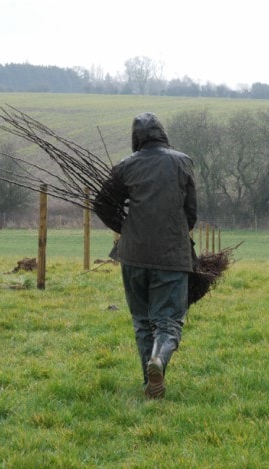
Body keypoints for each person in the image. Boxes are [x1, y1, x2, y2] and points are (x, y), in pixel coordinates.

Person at [95, 112, 197, 399]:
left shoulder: (125, 167)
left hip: (133, 256)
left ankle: (149, 383)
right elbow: (191, 212)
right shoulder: (182, 162)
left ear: (135, 138)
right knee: (168, 322)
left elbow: (102, 204)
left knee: (142, 321)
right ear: (162, 133)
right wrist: (177, 234)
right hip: (171, 257)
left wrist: (127, 229)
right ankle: (159, 362)